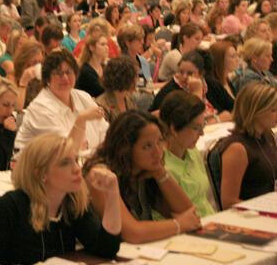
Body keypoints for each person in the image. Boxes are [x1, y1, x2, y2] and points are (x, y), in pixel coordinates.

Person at [0, 133, 121, 265]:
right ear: (41, 174)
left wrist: (113, 194)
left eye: (76, 160)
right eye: (65, 163)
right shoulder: (9, 207)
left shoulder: (72, 202)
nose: (77, 168)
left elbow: (106, 249)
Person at [83, 111, 201, 244]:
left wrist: (160, 173)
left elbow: (188, 212)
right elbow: (131, 233)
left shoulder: (145, 169)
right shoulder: (101, 174)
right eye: (147, 146)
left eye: (159, 141)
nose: (157, 152)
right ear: (125, 148)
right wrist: (179, 225)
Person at [15, 49, 109, 152]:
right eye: (58, 73)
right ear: (47, 78)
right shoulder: (40, 108)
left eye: (69, 72)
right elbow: (66, 151)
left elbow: (106, 134)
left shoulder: (83, 97)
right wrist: (81, 120)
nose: (65, 78)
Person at [219, 82, 277, 209]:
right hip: (252, 214)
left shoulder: (267, 135)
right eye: (273, 110)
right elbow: (228, 202)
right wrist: (266, 208)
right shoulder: (237, 148)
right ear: (255, 111)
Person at [159, 91, 216, 217]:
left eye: (203, 126)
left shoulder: (192, 151)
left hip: (208, 219)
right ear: (174, 129)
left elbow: (202, 200)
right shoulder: (161, 164)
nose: (202, 134)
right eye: (196, 128)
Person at [150, 50, 234, 121]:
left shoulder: (212, 84)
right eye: (181, 72)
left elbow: (234, 108)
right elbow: (187, 121)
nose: (184, 77)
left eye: (190, 73)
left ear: (201, 74)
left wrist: (220, 118)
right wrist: (196, 91)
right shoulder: (170, 91)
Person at [96, 56, 138, 123]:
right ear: (126, 79)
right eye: (136, 76)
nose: (137, 80)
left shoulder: (128, 98)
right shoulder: (102, 105)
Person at [13, 40, 44, 110]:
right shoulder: (12, 76)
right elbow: (17, 109)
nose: (38, 65)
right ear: (24, 61)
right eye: (34, 62)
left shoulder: (40, 78)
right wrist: (23, 82)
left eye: (40, 62)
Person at [75, 31, 107, 98]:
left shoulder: (104, 67)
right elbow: (102, 92)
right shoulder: (85, 71)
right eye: (102, 44)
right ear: (92, 47)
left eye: (106, 44)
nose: (106, 47)